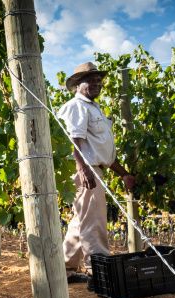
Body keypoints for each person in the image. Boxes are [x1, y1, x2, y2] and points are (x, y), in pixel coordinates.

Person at [58, 62, 136, 284]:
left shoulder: (94, 108)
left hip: (93, 168)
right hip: (86, 170)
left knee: (81, 220)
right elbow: (74, 139)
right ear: (77, 84)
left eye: (98, 80)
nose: (96, 83)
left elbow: (100, 148)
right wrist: (82, 169)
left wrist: (122, 173)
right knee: (94, 221)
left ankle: (66, 268)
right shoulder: (77, 106)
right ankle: (99, 272)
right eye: (90, 80)